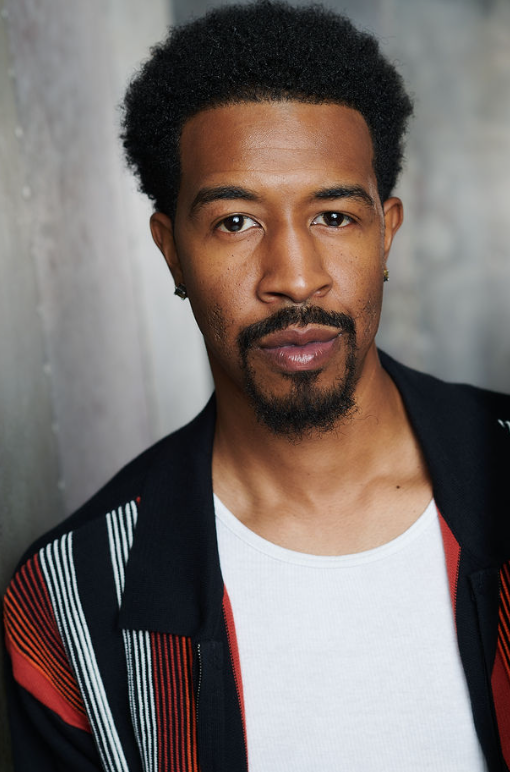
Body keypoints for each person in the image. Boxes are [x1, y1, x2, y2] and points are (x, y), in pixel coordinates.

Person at [4, 1, 510, 770]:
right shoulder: (70, 599)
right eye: (236, 222)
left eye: (334, 216)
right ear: (172, 251)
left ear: (387, 233)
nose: (295, 278)